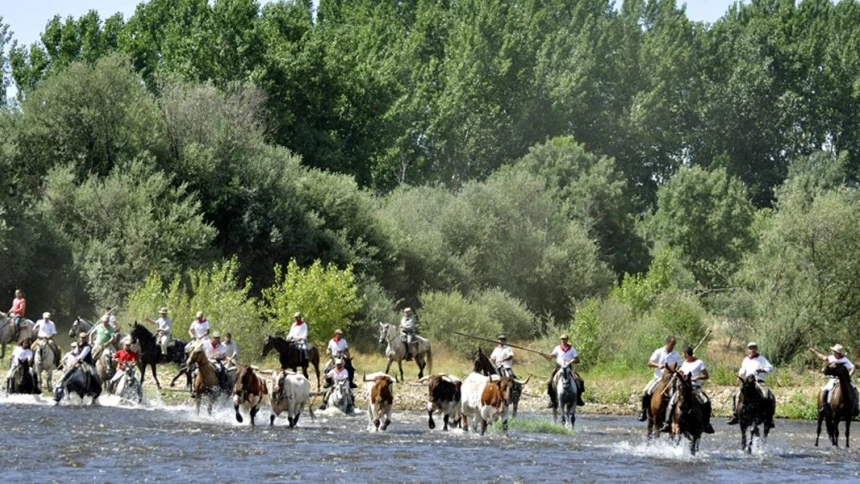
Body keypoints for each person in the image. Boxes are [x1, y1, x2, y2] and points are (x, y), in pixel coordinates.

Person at [662, 346, 714, 434]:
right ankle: (667, 423)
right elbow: (682, 373)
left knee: (706, 401)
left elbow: (706, 376)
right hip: (683, 388)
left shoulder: (699, 363)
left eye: (683, 353)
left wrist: (697, 377)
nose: (682, 355)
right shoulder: (684, 363)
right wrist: (677, 375)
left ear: (686, 354)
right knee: (671, 402)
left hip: (694, 387)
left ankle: (706, 423)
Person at [727, 342, 775, 427]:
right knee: (736, 395)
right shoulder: (746, 360)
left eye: (754, 348)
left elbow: (771, 369)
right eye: (750, 348)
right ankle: (735, 415)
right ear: (748, 349)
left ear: (756, 349)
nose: (752, 350)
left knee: (767, 395)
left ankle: (769, 417)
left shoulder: (762, 359)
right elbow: (742, 370)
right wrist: (739, 377)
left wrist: (762, 370)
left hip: (759, 381)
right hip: (748, 383)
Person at [637, 336, 681, 421]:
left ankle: (675, 415)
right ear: (667, 343)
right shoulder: (659, 352)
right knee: (645, 391)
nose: (672, 347)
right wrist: (658, 365)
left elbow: (680, 366)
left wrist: (676, 371)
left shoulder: (676, 355)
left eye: (674, 345)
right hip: (658, 378)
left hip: (671, 380)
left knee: (677, 395)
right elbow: (649, 363)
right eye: (671, 345)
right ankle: (643, 411)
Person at [809, 344, 857, 413]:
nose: (833, 352)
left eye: (834, 351)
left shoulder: (845, 360)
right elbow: (822, 357)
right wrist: (814, 352)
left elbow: (853, 367)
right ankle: (824, 406)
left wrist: (849, 375)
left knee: (854, 389)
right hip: (833, 379)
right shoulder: (831, 358)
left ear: (838, 353)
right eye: (833, 351)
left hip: (843, 379)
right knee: (825, 389)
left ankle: (855, 406)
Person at [542, 334, 585, 408]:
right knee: (549, 382)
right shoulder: (557, 348)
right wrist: (543, 355)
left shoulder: (572, 349)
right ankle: (552, 400)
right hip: (558, 367)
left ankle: (578, 398)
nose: (563, 341)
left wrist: (571, 361)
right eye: (562, 339)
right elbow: (550, 358)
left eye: (564, 339)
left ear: (567, 340)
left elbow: (577, 360)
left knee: (580, 381)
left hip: (568, 368)